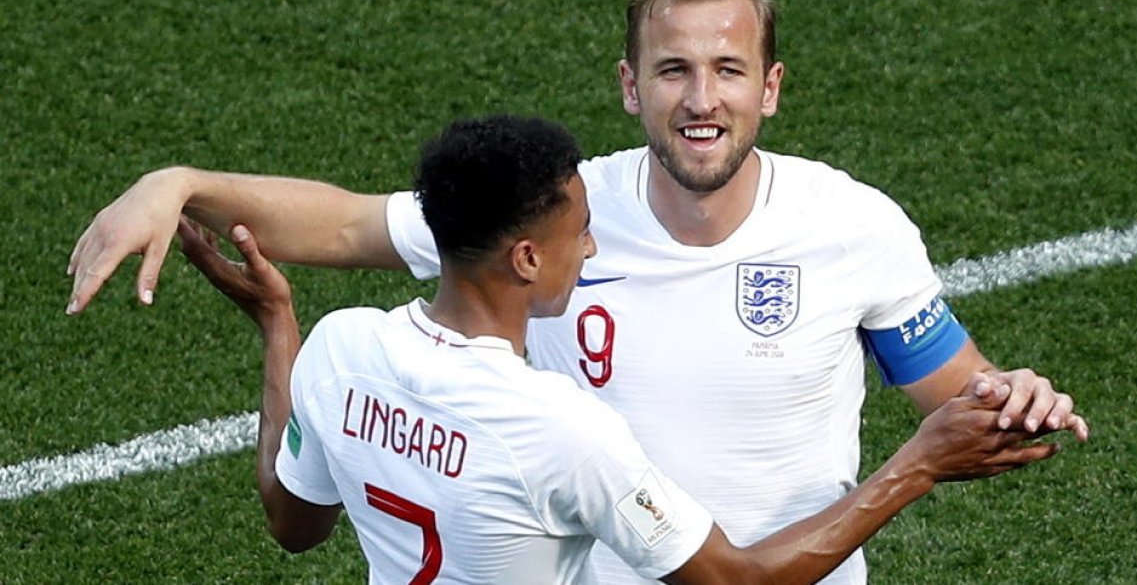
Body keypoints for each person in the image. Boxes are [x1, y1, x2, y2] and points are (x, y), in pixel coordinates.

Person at [69, 0, 1087, 584]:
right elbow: (342, 228)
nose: (702, 99)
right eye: (673, 70)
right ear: (629, 86)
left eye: (729, 70)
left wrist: (1020, 404)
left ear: (769, 88)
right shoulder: (551, 208)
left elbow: (963, 399)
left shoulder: (853, 227)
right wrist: (182, 181)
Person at [177, 114, 1064, 584]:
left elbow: (293, 527)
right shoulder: (563, 428)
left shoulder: (338, 349)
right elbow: (739, 582)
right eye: (582, 232)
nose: (593, 248)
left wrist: (278, 329)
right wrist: (915, 465)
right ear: (527, 257)